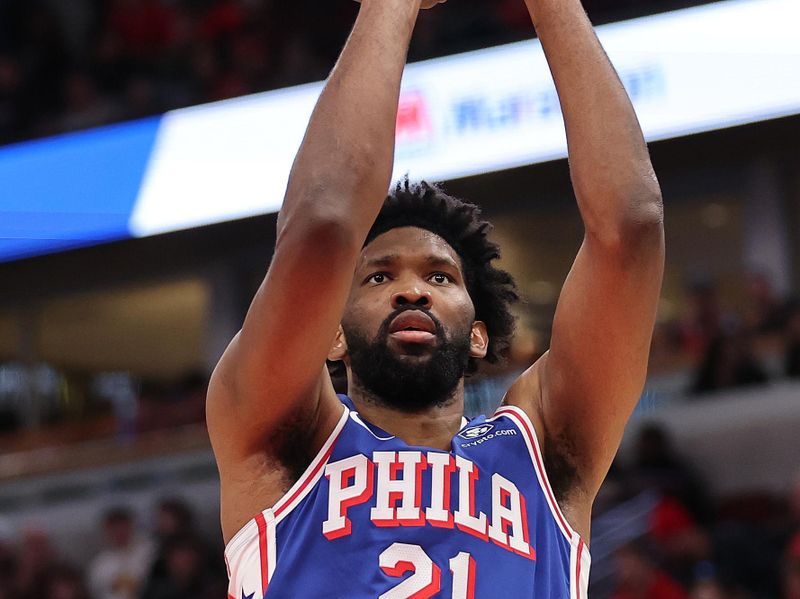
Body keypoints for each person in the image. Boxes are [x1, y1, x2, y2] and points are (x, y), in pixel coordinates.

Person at [207, 0, 664, 596]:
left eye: (441, 277)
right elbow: (322, 224)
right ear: (333, 333)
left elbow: (631, 226)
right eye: (379, 277)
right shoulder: (287, 443)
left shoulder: (543, 450)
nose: (411, 290)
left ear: (478, 332)